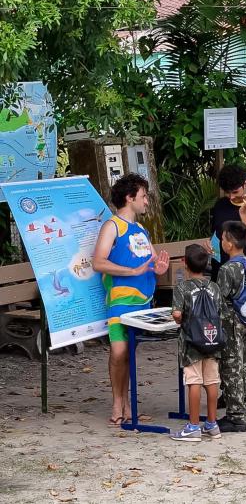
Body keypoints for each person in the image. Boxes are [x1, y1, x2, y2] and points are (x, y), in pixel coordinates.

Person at [92, 173, 169, 427]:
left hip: (143, 301)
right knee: (119, 351)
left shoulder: (142, 230)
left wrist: (158, 268)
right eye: (144, 196)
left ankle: (126, 403)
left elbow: (153, 262)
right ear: (130, 197)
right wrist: (132, 272)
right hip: (120, 300)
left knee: (128, 354)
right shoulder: (112, 226)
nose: (147, 201)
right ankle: (117, 401)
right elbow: (98, 262)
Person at [209, 164, 246, 411]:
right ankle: (231, 391)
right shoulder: (220, 207)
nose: (232, 197)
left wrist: (245, 216)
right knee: (227, 342)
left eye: (236, 191)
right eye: (228, 193)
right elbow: (216, 240)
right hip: (224, 275)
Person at [170, 244, 224, 442]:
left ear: (185, 263)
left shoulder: (182, 287)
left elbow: (177, 314)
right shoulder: (215, 287)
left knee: (194, 381)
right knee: (211, 381)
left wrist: (180, 319)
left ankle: (193, 426)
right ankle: (212, 423)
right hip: (212, 340)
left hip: (192, 342)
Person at [215, 221, 246, 433]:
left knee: (232, 367)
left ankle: (235, 417)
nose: (221, 242)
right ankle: (241, 407)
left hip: (232, 323)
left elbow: (220, 299)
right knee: (245, 366)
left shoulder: (228, 269)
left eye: (223, 238)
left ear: (230, 243)